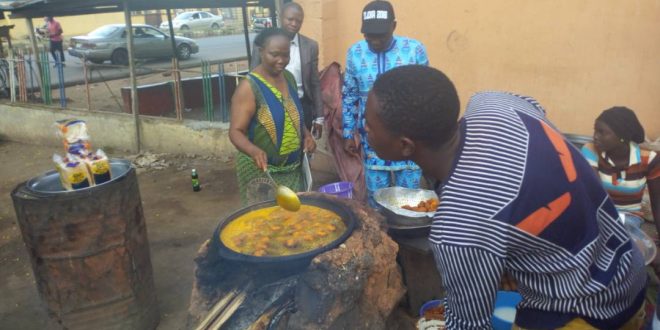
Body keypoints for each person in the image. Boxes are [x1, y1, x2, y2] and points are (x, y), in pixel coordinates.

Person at [364, 65, 647, 329]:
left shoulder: (458, 228)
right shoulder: (495, 103)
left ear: (405, 146)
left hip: (587, 312)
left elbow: (470, 324)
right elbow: (538, 117)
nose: (365, 130)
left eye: (370, 124)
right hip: (629, 270)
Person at [342, 0, 429, 206]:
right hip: (373, 141)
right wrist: (348, 133)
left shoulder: (414, 50)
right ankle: (381, 236)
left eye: (380, 35)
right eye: (369, 35)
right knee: (377, 200)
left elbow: (426, 93)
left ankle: (406, 236)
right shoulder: (355, 53)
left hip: (408, 141)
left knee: (409, 200)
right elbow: (350, 96)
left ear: (394, 26)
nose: (375, 41)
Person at [230, 28, 316, 205]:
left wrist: (307, 135)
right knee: (267, 224)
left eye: (286, 55)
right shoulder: (249, 87)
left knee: (295, 221)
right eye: (275, 54)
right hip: (262, 174)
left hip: (293, 171)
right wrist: (253, 150)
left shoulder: (289, 78)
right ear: (261, 51)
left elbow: (293, 115)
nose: (281, 60)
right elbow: (235, 132)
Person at [581, 107, 659, 234]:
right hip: (599, 212)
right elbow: (597, 194)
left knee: (624, 239)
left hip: (629, 218)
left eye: (602, 132)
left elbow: (657, 203)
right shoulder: (591, 150)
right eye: (595, 130)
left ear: (622, 136)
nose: (595, 136)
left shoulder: (649, 159)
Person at [250, 2, 324, 138]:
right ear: (280, 17)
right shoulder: (263, 42)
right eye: (290, 19)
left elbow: (315, 83)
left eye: (298, 21)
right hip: (272, 106)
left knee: (304, 149)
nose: (294, 24)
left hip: (302, 106)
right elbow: (254, 78)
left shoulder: (311, 46)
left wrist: (319, 117)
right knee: (276, 150)